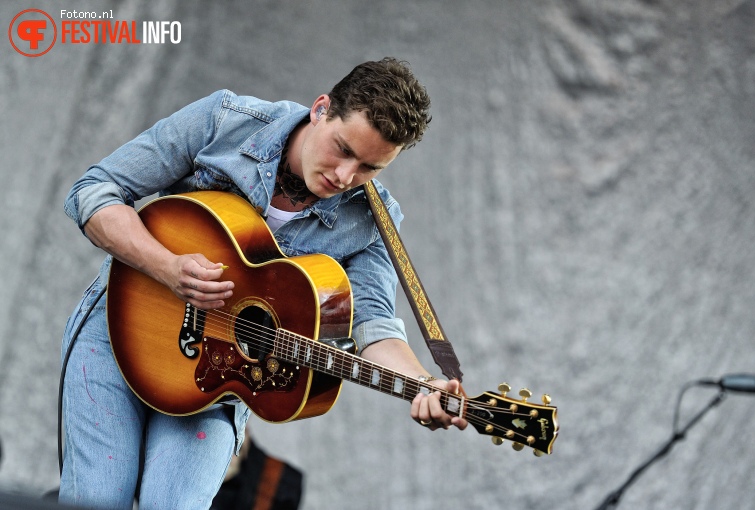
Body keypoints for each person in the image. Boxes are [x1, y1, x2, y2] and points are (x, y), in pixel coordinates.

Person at [59, 57, 467, 509]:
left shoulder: (373, 221)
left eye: (370, 168)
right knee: (98, 497)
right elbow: (93, 193)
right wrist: (166, 266)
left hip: (213, 385)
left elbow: (372, 324)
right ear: (320, 109)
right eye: (344, 149)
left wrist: (424, 384)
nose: (346, 176)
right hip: (118, 329)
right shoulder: (224, 121)